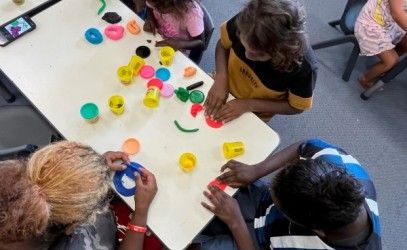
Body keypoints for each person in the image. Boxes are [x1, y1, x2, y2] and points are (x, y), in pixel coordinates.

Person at [190, 139, 381, 249]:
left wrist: (236, 223)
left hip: (259, 243)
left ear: (316, 230)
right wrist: (257, 170)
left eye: (279, 204)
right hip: (262, 208)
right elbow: (305, 146)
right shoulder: (340, 165)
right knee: (197, 195)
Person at [0, 141, 158, 250]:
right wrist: (141, 212)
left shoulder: (6, 179)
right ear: (71, 227)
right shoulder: (79, 245)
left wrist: (89, 168)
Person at [203, 0, 318, 124]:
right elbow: (222, 45)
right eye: (243, 44)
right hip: (221, 84)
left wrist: (249, 105)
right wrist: (221, 77)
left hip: (254, 112)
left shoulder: (303, 68)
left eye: (259, 54)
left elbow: (296, 107)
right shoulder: (248, 22)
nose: (247, 55)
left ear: (281, 51)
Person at [355, 0, 407, 89]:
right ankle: (365, 79)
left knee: (406, 43)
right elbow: (396, 13)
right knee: (391, 60)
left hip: (389, 22)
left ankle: (385, 65)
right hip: (370, 24)